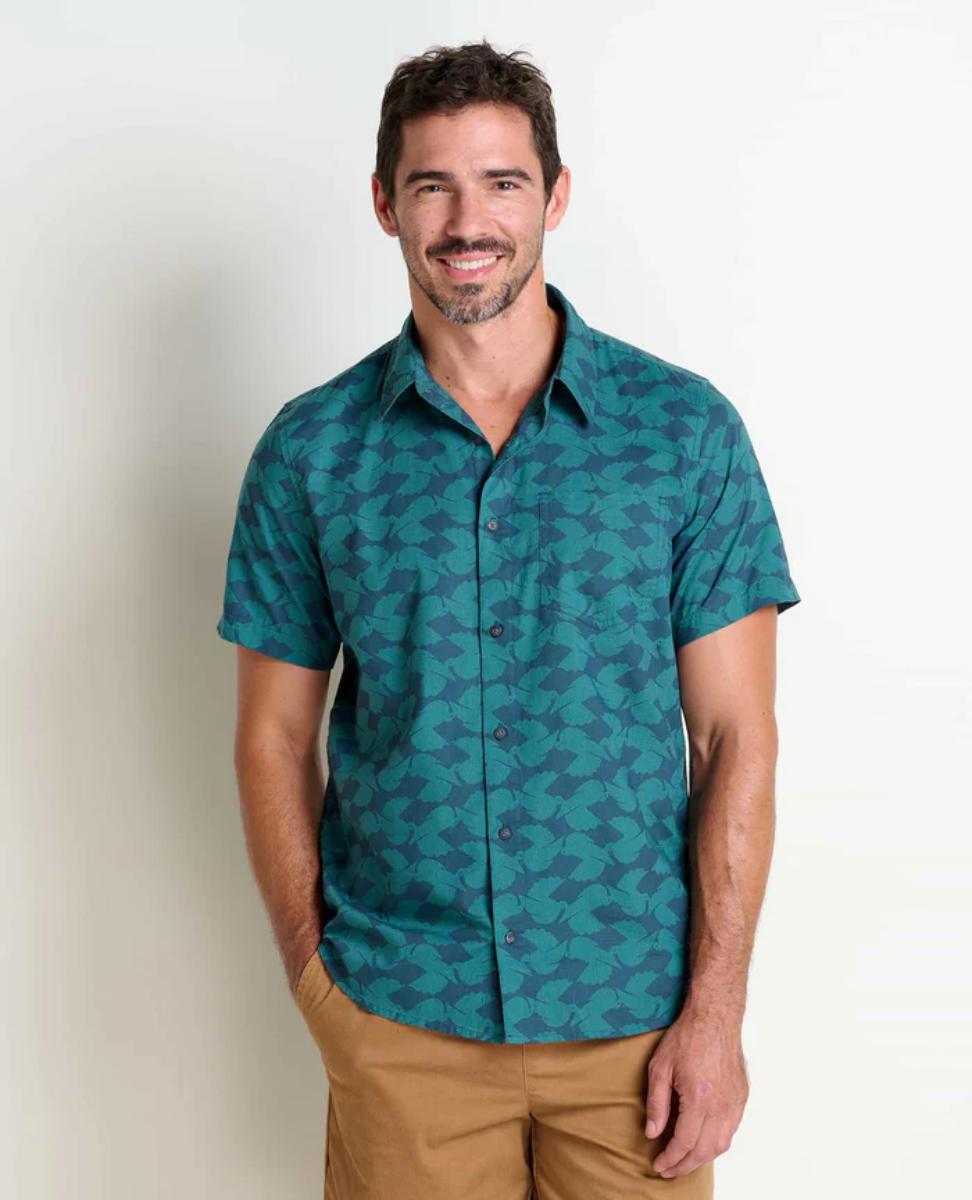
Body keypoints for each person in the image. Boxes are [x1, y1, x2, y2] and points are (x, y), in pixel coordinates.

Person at [216, 38, 801, 1200]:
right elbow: (271, 736)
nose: (466, 220)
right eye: (431, 184)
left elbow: (735, 736)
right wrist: (317, 982)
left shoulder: (681, 434)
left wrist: (716, 1014)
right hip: (401, 1017)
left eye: (502, 182)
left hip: (637, 1029)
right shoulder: (311, 451)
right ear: (385, 203)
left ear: (556, 196)